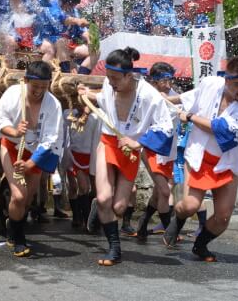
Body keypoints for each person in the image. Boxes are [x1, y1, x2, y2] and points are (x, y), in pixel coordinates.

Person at [78, 47, 174, 266]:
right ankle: (114, 248)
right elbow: (103, 98)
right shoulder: (109, 84)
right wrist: (87, 94)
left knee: (120, 207)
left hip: (130, 150)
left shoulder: (149, 94)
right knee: (105, 198)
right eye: (108, 77)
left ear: (129, 75)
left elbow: (166, 127)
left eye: (115, 78)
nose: (110, 82)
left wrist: (138, 143)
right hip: (108, 142)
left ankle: (99, 209)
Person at [163, 57, 238, 262]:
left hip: (227, 161)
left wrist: (190, 117)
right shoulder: (210, 84)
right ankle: (178, 218)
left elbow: (222, 130)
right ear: (227, 80)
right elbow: (191, 96)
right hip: (199, 154)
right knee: (190, 206)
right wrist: (165, 99)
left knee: (223, 216)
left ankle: (200, 245)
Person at [0, 61, 63, 257]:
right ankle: (19, 238)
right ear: (26, 80)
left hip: (36, 154)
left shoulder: (53, 104)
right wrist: (15, 131)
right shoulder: (13, 94)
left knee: (28, 199)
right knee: (19, 196)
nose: (39, 91)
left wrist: (30, 163)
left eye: (44, 86)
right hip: (12, 147)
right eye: (35, 86)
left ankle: (12, 224)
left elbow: (50, 139)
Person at [136, 62, 179, 240]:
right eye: (163, 81)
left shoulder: (174, 95)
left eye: (170, 80)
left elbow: (183, 110)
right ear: (154, 81)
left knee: (158, 192)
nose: (168, 85)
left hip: (169, 149)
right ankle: (170, 233)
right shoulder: (146, 95)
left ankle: (143, 223)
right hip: (151, 147)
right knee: (165, 191)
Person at [36, 0, 97, 74]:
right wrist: (77, 21)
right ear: (62, 1)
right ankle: (66, 73)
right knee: (62, 41)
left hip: (67, 46)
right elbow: (63, 19)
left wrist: (90, 39)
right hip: (47, 42)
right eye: (71, 4)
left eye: (74, 5)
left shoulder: (73, 10)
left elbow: (82, 31)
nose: (73, 7)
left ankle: (81, 76)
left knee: (95, 50)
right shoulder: (51, 6)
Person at [61, 105, 100, 228]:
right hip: (74, 155)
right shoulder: (69, 113)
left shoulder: (97, 115)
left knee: (93, 189)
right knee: (82, 187)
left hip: (92, 155)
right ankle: (80, 217)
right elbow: (67, 128)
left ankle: (89, 217)